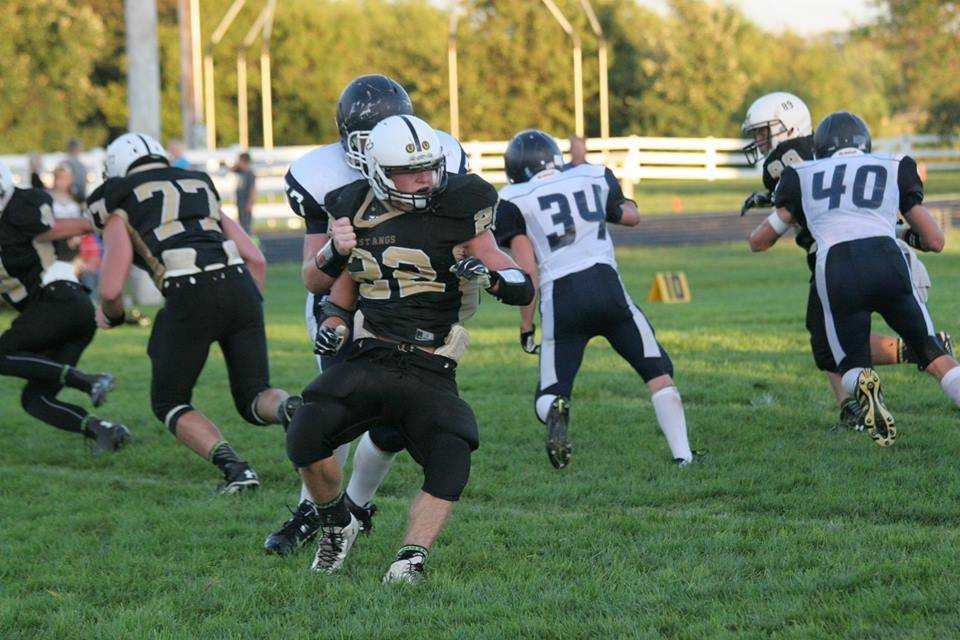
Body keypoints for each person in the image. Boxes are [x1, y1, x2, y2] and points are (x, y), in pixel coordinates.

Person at [285, 114, 534, 583]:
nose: (425, 179)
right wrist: (333, 322)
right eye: (410, 171)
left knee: (452, 456)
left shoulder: (462, 204)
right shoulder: (351, 205)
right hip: (370, 353)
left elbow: (515, 278)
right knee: (304, 435)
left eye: (430, 167)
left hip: (431, 363)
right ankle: (338, 523)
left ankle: (410, 558)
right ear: (378, 171)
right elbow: (334, 295)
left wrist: (494, 279)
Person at [263, 74, 470, 557]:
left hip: (414, 304)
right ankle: (316, 512)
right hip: (347, 302)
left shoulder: (436, 156)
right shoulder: (321, 177)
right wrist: (337, 252)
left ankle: (356, 506)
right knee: (331, 411)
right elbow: (314, 277)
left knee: (394, 423)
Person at [87, 133, 301, 492]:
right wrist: (247, 307)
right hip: (240, 284)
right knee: (254, 395)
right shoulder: (197, 183)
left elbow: (109, 289)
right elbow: (256, 259)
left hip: (188, 291)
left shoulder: (117, 197)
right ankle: (289, 408)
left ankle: (237, 470)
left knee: (169, 401)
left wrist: (113, 315)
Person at [742, 92, 949, 429]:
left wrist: (776, 201)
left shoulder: (791, 164)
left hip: (838, 261)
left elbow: (781, 223)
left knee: (832, 346)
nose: (760, 141)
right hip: (888, 255)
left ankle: (859, 405)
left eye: (764, 132)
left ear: (788, 127)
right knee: (839, 341)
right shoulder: (877, 162)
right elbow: (930, 236)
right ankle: (865, 397)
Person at [495, 130, 696, 469]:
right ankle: (684, 456)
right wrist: (618, 205)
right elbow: (631, 216)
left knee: (551, 391)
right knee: (658, 371)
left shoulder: (513, 198)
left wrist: (526, 325)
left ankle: (557, 410)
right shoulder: (591, 175)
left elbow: (528, 270)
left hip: (562, 300)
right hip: (607, 288)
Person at [0, 160, 130, 453]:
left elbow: (57, 227)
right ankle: (103, 430)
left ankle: (88, 381)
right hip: (66, 312)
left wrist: (98, 222)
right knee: (35, 400)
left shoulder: (19, 210)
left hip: (59, 302)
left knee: (2, 354)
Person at [233, 152, 256, 234]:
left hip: (246, 201)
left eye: (240, 161)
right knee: (241, 222)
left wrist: (250, 202)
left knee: (246, 224)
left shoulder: (250, 174)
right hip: (240, 201)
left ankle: (249, 237)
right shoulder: (240, 172)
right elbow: (232, 169)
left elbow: (252, 190)